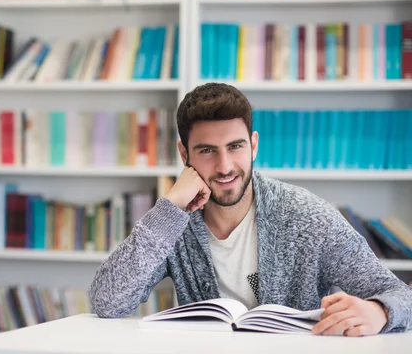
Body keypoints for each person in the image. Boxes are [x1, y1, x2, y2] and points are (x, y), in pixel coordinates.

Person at [88, 82, 412, 336]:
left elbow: (399, 294)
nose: (225, 166)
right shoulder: (174, 222)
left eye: (235, 146)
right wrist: (169, 207)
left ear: (254, 144)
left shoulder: (307, 217)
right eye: (207, 151)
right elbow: (107, 301)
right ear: (184, 154)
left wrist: (380, 311)